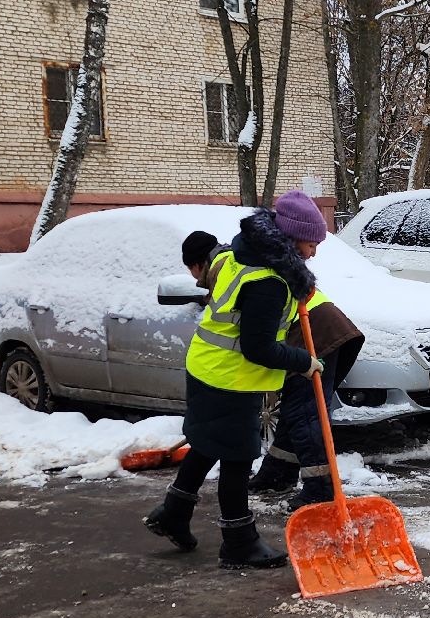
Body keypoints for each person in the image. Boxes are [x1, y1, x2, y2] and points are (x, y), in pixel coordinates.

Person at [144, 193, 328, 568]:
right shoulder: (269, 282)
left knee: (208, 444)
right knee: (237, 458)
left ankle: (173, 513)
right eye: (311, 244)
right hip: (229, 378)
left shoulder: (238, 254)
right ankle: (239, 542)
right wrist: (304, 361)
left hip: (208, 367)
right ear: (292, 240)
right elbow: (257, 348)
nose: (314, 252)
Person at [249, 289, 365, 509]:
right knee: (298, 409)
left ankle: (320, 488)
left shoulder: (235, 269)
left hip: (313, 332)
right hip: (321, 327)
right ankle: (278, 473)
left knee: (305, 413)